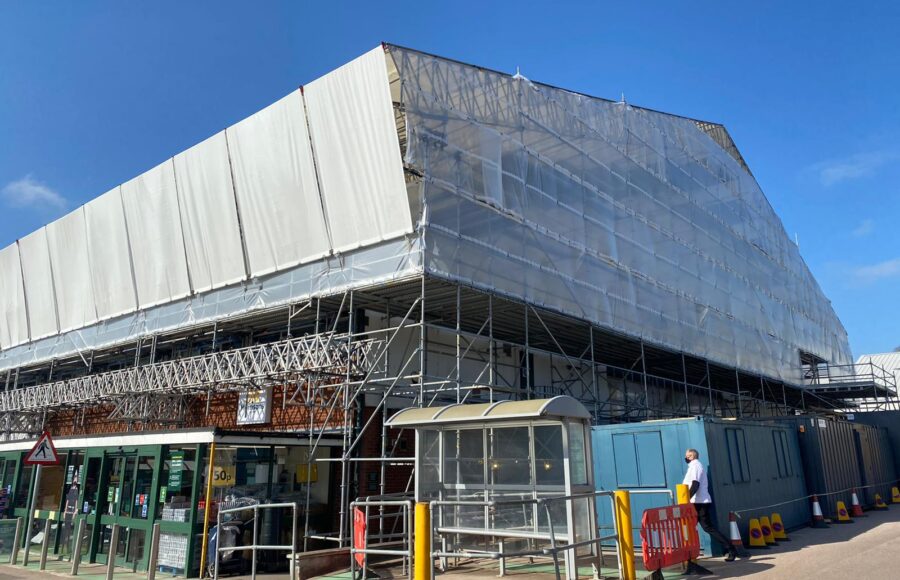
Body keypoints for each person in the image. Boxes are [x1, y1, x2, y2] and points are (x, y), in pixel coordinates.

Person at [683, 448, 737, 562]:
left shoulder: (695, 466)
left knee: (706, 527)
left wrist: (686, 498)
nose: (686, 458)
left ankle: (731, 548)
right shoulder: (693, 466)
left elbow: (695, 484)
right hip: (697, 501)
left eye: (687, 456)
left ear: (692, 456)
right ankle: (690, 555)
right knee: (692, 527)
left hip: (699, 502)